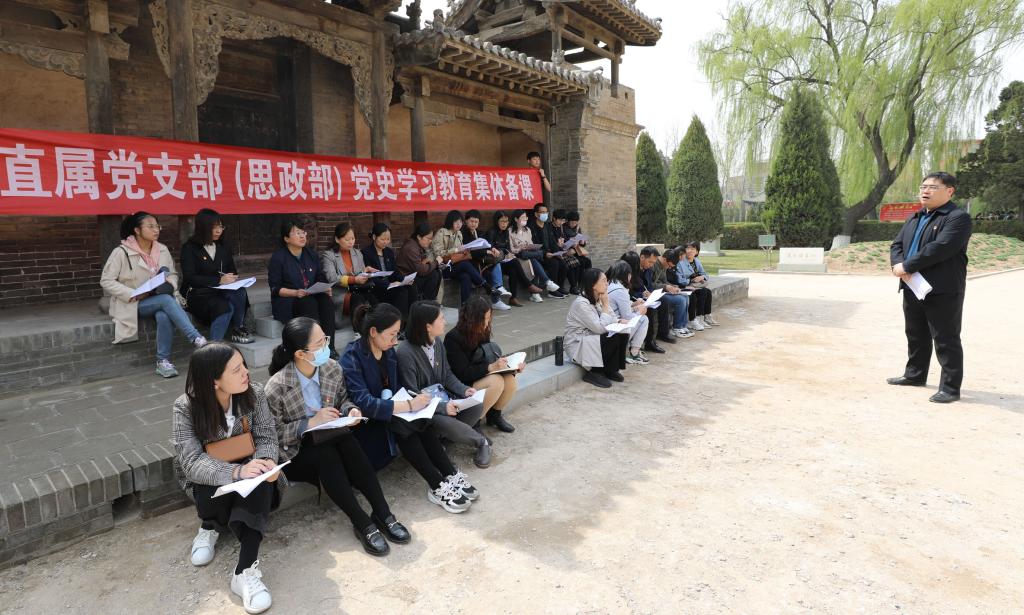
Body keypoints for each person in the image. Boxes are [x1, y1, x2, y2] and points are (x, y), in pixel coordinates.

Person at [264, 317, 410, 556]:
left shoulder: (331, 368)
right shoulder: (276, 386)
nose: (326, 346)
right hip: (295, 450)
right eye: (320, 343)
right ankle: (362, 522)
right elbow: (273, 435)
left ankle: (383, 513)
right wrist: (310, 423)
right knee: (326, 455)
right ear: (300, 354)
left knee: (348, 443)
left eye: (325, 339)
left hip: (331, 434)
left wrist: (350, 411)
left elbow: (344, 399)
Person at [171, 342, 282, 614]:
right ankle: (209, 526)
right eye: (236, 370)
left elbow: (267, 436)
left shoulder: (253, 393)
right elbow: (192, 462)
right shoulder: (185, 407)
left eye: (243, 364)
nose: (246, 372)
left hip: (249, 471)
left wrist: (267, 462)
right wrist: (236, 472)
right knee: (216, 484)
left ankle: (244, 571)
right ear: (214, 381)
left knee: (261, 482)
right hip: (211, 481)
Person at [340, 303, 475, 513]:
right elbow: (364, 402)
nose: (395, 341)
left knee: (419, 419)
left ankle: (449, 473)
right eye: (392, 334)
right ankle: (437, 484)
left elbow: (398, 390)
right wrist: (409, 405)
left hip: (391, 410)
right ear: (373, 332)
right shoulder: (352, 356)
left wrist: (414, 403)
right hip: (365, 422)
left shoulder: (388, 353)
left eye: (397, 334)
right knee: (403, 426)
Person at [888, 171, 972, 403]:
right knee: (915, 333)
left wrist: (907, 265)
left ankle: (950, 388)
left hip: (942, 288)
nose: (925, 191)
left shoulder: (957, 218)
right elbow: (897, 244)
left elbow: (941, 248)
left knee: (945, 338)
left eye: (932, 187)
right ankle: (915, 375)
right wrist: (898, 265)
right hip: (911, 285)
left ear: (949, 191)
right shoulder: (915, 217)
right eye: (923, 186)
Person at [100, 211, 207, 378]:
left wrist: (168, 284)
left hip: (158, 297)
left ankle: (162, 361)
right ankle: (197, 339)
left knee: (163, 314)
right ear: (137, 230)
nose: (156, 230)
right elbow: (106, 280)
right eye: (150, 226)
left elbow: (172, 273)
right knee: (165, 301)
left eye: (157, 226)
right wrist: (133, 293)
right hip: (133, 302)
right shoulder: (121, 252)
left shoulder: (162, 249)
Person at [397, 301, 492, 468]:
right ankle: (480, 442)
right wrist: (441, 407)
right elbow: (412, 392)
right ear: (428, 326)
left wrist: (464, 390)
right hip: (423, 410)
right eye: (441, 319)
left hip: (443, 400)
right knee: (442, 420)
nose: (445, 322)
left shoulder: (437, 343)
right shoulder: (405, 352)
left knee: (476, 404)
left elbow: (447, 374)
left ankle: (442, 443)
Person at [444, 295, 523, 433]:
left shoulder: (482, 330)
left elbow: (488, 355)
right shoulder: (453, 338)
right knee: (496, 382)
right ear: (472, 319)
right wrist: (490, 367)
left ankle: (494, 415)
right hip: (463, 384)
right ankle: (474, 422)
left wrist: (511, 367)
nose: (487, 323)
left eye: (488, 318)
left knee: (510, 380)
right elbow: (461, 373)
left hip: (480, 374)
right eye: (484, 319)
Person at [180, 208, 254, 345]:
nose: (218, 231)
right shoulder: (190, 248)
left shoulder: (223, 246)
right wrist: (218, 280)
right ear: (203, 227)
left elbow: (232, 269)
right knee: (224, 306)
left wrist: (231, 277)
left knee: (240, 291)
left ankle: (238, 328)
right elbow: (190, 278)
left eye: (220, 227)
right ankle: (214, 346)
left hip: (220, 290)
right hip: (199, 294)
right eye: (214, 227)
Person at [268, 219, 338, 357]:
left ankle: (330, 347)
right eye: (297, 233)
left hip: (311, 294)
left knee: (326, 301)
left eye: (303, 232)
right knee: (308, 303)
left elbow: (320, 276)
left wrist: (325, 287)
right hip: (289, 299)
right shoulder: (278, 258)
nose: (302, 236)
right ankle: (314, 349)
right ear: (286, 238)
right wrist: (295, 292)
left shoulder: (311, 254)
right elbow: (275, 289)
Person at [565, 268, 629, 388]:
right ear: (593, 285)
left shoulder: (598, 298)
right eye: (604, 281)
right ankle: (595, 372)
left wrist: (619, 321)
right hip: (577, 344)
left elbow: (612, 317)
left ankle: (610, 369)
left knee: (622, 332)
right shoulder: (581, 303)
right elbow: (599, 328)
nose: (607, 284)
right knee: (609, 337)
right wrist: (606, 304)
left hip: (591, 338)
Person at [431, 210, 506, 306]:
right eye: (456, 222)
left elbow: (460, 251)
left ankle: (465, 307)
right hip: (442, 267)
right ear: (450, 221)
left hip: (454, 265)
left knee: (466, 277)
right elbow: (438, 253)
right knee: (465, 264)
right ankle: (486, 286)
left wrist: (465, 250)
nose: (459, 224)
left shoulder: (459, 234)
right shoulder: (441, 232)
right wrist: (456, 250)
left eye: (460, 222)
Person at [321, 221, 379, 324]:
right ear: (337, 239)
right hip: (340, 293)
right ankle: (359, 328)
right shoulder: (329, 255)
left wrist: (365, 272)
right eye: (347, 239)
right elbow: (332, 278)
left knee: (373, 297)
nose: (351, 242)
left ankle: (378, 324)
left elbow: (359, 274)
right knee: (357, 298)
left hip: (358, 289)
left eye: (353, 239)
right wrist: (354, 279)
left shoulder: (357, 253)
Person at [484, 210, 544, 307]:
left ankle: (513, 298)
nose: (504, 224)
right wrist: (496, 250)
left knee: (513, 268)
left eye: (506, 221)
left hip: (503, 260)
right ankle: (528, 285)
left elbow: (508, 249)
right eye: (502, 221)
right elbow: (489, 246)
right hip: (494, 262)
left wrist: (509, 254)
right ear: (496, 221)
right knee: (515, 263)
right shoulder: (491, 232)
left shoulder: (505, 232)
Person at [361, 222, 417, 318]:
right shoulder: (366, 253)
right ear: (374, 237)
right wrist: (389, 284)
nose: (386, 242)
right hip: (377, 287)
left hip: (391, 284)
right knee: (401, 292)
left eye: (388, 239)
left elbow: (395, 272)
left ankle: (413, 317)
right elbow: (371, 278)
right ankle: (401, 321)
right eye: (383, 239)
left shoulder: (389, 252)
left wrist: (404, 280)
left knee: (412, 287)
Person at [462, 209, 511, 310]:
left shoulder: (480, 233)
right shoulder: (463, 234)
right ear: (466, 221)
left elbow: (486, 245)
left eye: (476, 222)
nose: (473, 224)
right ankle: (497, 295)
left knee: (495, 262)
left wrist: (492, 249)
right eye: (471, 221)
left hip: (482, 261)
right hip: (470, 262)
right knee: (492, 267)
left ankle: (497, 297)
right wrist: (486, 252)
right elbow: (470, 251)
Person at [605, 260, 651, 365]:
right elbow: (628, 317)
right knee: (643, 319)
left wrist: (634, 304)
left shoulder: (611, 283)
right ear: (627, 275)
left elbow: (618, 306)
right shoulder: (620, 290)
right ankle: (634, 352)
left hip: (608, 323)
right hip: (613, 330)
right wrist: (640, 312)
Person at [510, 209, 562, 301]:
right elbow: (511, 249)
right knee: (532, 260)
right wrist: (520, 248)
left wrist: (531, 246)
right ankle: (546, 283)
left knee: (532, 259)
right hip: (518, 255)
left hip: (528, 254)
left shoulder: (527, 230)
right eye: (523, 218)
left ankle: (536, 292)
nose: (525, 219)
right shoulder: (510, 231)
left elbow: (531, 244)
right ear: (516, 219)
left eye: (526, 217)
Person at [621, 251, 664, 354]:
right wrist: (640, 297)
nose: (651, 265)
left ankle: (650, 341)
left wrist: (647, 294)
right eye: (650, 262)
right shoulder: (625, 275)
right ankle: (646, 343)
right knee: (648, 311)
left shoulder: (646, 271)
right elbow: (628, 293)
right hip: (630, 301)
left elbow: (647, 286)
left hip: (636, 300)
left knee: (658, 304)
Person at [677, 242, 718, 331]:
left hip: (697, 285)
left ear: (697, 252)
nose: (690, 251)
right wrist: (691, 280)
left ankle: (704, 316)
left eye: (693, 249)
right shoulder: (681, 262)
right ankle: (695, 319)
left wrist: (701, 277)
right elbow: (679, 279)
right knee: (701, 293)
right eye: (688, 248)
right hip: (687, 285)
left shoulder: (696, 261)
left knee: (707, 291)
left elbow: (705, 274)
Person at [530, 203, 570, 294]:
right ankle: (552, 291)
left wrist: (558, 252)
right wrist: (545, 253)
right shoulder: (532, 227)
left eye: (546, 212)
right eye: (542, 212)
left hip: (550, 253)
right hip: (539, 255)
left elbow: (552, 242)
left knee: (563, 264)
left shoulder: (547, 226)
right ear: (536, 214)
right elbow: (533, 245)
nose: (545, 214)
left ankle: (560, 287)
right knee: (554, 263)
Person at [396, 223, 443, 301]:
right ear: (419, 237)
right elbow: (421, 270)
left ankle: (429, 301)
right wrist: (436, 263)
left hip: (413, 275)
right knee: (434, 275)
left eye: (431, 238)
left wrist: (427, 262)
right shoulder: (411, 248)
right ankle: (427, 302)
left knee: (436, 273)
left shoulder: (416, 245)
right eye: (428, 238)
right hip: (406, 278)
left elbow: (420, 265)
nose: (430, 241)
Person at [661, 248, 695, 338]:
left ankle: (683, 325)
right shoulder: (657, 266)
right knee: (680, 300)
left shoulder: (664, 266)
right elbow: (652, 284)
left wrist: (672, 286)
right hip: (658, 293)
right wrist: (667, 287)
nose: (669, 268)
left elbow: (665, 281)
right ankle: (677, 327)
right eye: (669, 265)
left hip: (664, 290)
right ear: (664, 259)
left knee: (685, 297)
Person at [550, 209, 584, 295]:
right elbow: (552, 242)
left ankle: (575, 286)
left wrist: (579, 242)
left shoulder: (561, 227)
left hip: (564, 251)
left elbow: (564, 240)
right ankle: (563, 287)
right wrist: (562, 246)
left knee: (577, 262)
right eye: (560, 220)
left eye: (563, 220)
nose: (562, 222)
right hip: (556, 252)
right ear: (554, 218)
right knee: (567, 264)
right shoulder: (551, 228)